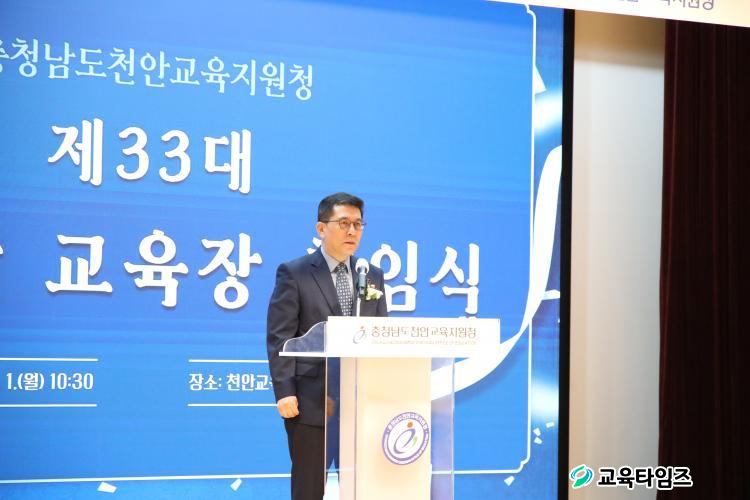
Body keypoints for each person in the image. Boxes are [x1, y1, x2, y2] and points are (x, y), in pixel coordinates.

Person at [266, 192, 388, 500]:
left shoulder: (372, 275)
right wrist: (285, 391)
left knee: (363, 489)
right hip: (312, 402)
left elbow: (381, 336)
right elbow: (280, 337)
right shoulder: (295, 273)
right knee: (309, 489)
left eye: (358, 224)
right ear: (321, 228)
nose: (352, 231)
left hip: (361, 403)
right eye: (344, 223)